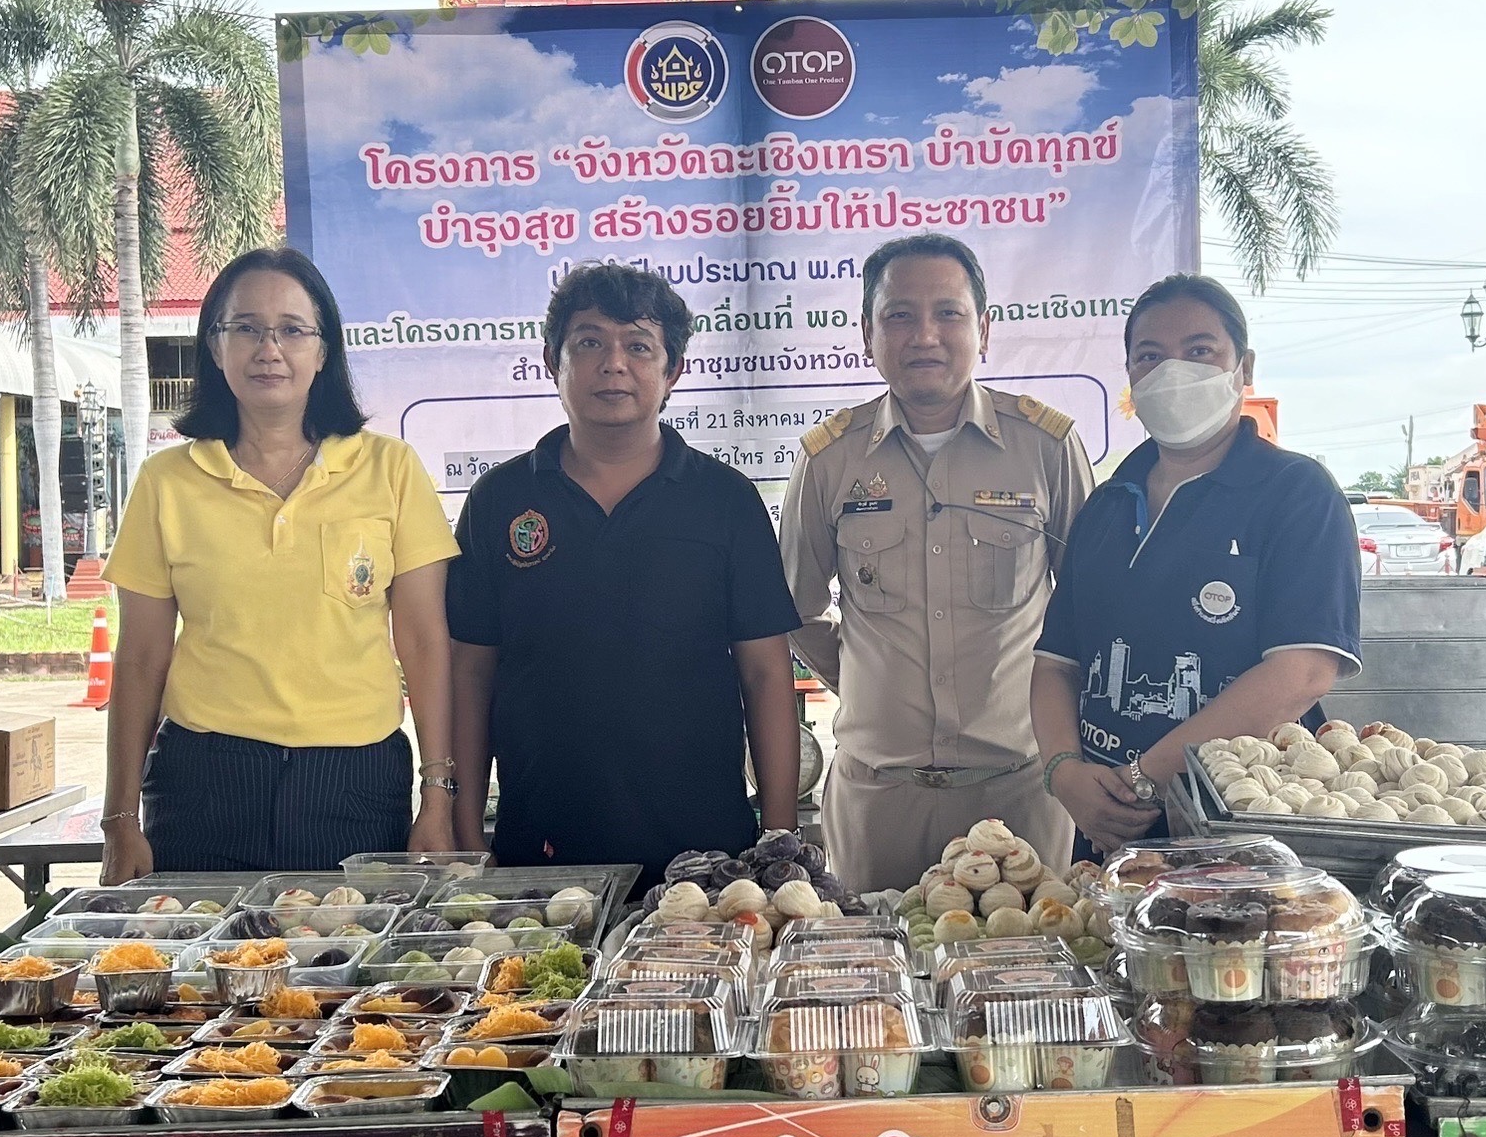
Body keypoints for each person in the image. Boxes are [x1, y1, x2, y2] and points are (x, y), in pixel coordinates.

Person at [98, 246, 460, 881]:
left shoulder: (390, 469)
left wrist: (438, 798)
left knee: (349, 975)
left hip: (355, 780)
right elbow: (140, 657)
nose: (270, 349)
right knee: (203, 979)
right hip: (203, 784)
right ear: (215, 347)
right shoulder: (168, 482)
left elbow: (426, 641)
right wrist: (119, 819)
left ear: (324, 351)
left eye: (293, 329)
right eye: (246, 328)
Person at [447, 261, 803, 887]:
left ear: (673, 372)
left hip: (706, 852)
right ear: (552, 360)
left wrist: (779, 841)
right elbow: (471, 673)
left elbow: (767, 672)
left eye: (639, 346)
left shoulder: (725, 501)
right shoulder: (498, 501)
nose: (614, 364)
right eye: (589, 343)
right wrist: (468, 831)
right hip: (543, 845)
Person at [779, 234, 1094, 892]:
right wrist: (870, 681)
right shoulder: (829, 459)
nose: (925, 334)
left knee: (1026, 986)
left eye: (948, 313)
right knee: (877, 987)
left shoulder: (1047, 448)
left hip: (1021, 795)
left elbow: (1091, 614)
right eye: (899, 315)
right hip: (878, 800)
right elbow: (797, 608)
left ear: (984, 329)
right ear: (867, 334)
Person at [1030, 275, 1362, 854]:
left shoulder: (1296, 492)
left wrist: (1145, 781)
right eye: (1151, 356)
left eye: (1200, 351)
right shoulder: (1106, 505)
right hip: (1109, 828)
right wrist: (1062, 773)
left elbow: (1303, 672)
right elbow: (1057, 664)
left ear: (1244, 366)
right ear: (1131, 375)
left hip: (1248, 823)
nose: (1173, 371)